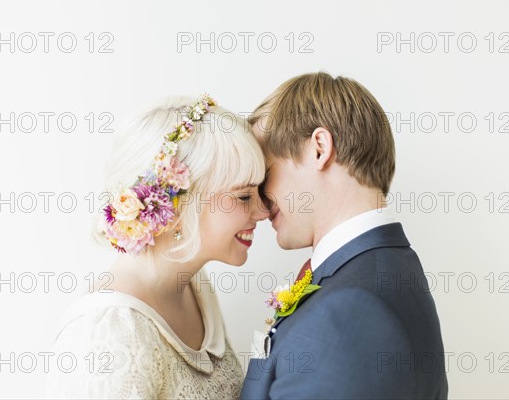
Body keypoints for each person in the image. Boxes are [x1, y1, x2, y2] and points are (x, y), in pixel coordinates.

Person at [46, 94, 269, 399]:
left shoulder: (196, 288)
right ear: (177, 206)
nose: (264, 212)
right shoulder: (108, 333)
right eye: (244, 196)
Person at [240, 73, 448, 399]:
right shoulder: (389, 267)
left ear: (319, 149)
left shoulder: (347, 312)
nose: (260, 204)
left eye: (266, 173)